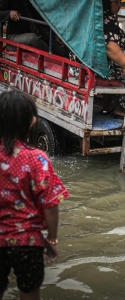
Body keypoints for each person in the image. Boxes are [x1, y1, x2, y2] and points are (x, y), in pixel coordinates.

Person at [0, 91, 70, 300]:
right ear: (32, 122)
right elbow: (50, 204)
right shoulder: (36, 158)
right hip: (28, 242)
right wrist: (52, 239)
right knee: (30, 294)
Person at [0, 0, 69, 57]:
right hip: (14, 37)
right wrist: (9, 13)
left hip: (38, 31)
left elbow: (43, 17)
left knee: (61, 48)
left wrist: (54, 34)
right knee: (33, 38)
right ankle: (51, 57)